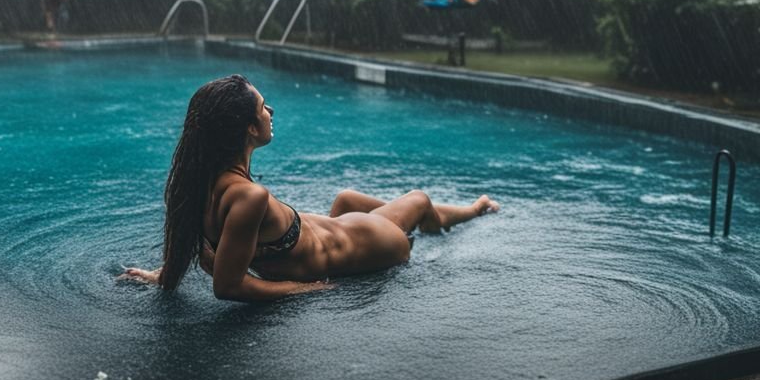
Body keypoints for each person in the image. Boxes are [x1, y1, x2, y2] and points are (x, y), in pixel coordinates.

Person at [121, 75, 499, 302]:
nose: (271, 113)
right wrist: (297, 290)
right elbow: (228, 286)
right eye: (264, 108)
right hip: (379, 244)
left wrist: (164, 275)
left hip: (333, 229)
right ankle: (472, 208)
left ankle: (470, 210)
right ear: (249, 129)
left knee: (346, 198)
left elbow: (196, 245)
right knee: (418, 199)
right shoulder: (248, 198)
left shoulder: (198, 183)